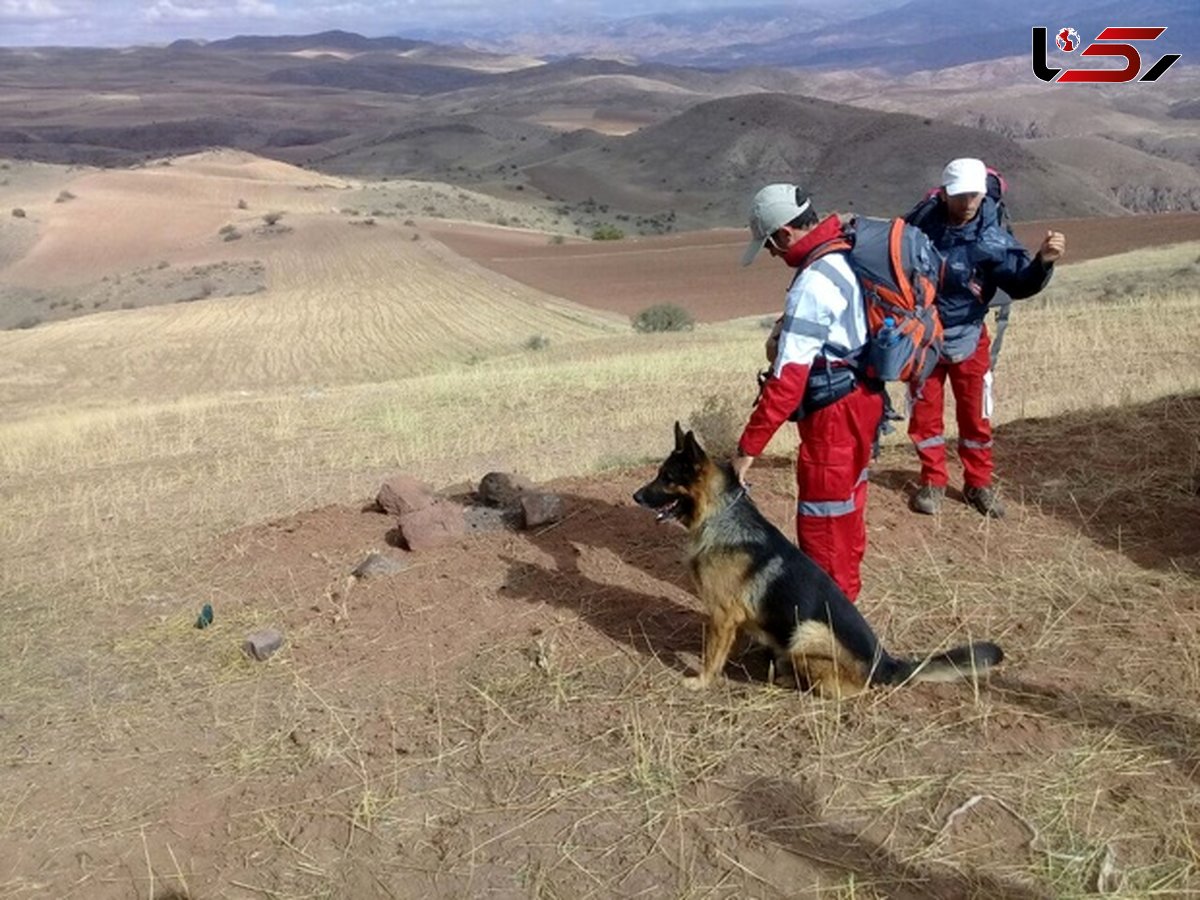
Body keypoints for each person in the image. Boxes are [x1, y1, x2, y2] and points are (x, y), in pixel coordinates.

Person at [730, 183, 884, 603]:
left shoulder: (811, 283)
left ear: (783, 233)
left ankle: (830, 632)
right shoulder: (842, 253)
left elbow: (787, 383)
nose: (773, 255)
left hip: (833, 414)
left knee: (824, 525)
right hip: (863, 399)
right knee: (848, 512)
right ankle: (849, 603)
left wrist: (747, 449)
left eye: (770, 246)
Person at [904, 158, 1065, 518]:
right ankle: (933, 480)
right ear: (944, 194)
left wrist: (1043, 262)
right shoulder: (917, 227)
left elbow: (1019, 282)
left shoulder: (993, 239)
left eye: (974, 194)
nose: (969, 203)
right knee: (925, 414)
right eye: (961, 195)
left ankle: (978, 483)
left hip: (970, 335)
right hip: (924, 336)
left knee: (976, 415)